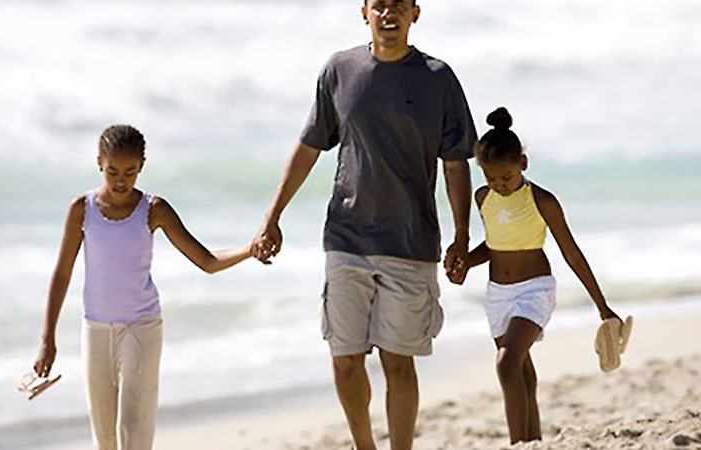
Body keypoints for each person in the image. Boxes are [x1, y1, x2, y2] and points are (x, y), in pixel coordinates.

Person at [252, 0, 476, 448]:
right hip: (346, 238)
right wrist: (272, 217)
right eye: (379, 6)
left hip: (410, 243)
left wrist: (462, 237)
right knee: (345, 358)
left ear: (415, 13)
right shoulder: (339, 70)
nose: (388, 14)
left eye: (399, 5)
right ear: (364, 12)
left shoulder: (438, 78)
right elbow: (309, 147)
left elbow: (455, 164)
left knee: (398, 362)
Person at [31, 125, 252, 450]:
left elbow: (205, 261)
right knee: (104, 439)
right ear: (99, 163)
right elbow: (62, 274)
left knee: (134, 434)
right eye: (112, 171)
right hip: (95, 330)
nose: (121, 181)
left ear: (142, 167)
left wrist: (250, 250)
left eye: (130, 172)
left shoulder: (153, 209)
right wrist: (47, 339)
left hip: (141, 329)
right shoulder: (82, 209)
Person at [447, 107, 624, 444]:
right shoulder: (483, 198)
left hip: (534, 291)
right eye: (491, 179)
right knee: (522, 372)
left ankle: (517, 444)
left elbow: (572, 254)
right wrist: (466, 262)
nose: (499, 186)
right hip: (497, 295)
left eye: (506, 178)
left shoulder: (542, 201)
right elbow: (496, 245)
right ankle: (533, 442)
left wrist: (602, 307)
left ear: (523, 164)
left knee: (506, 364)